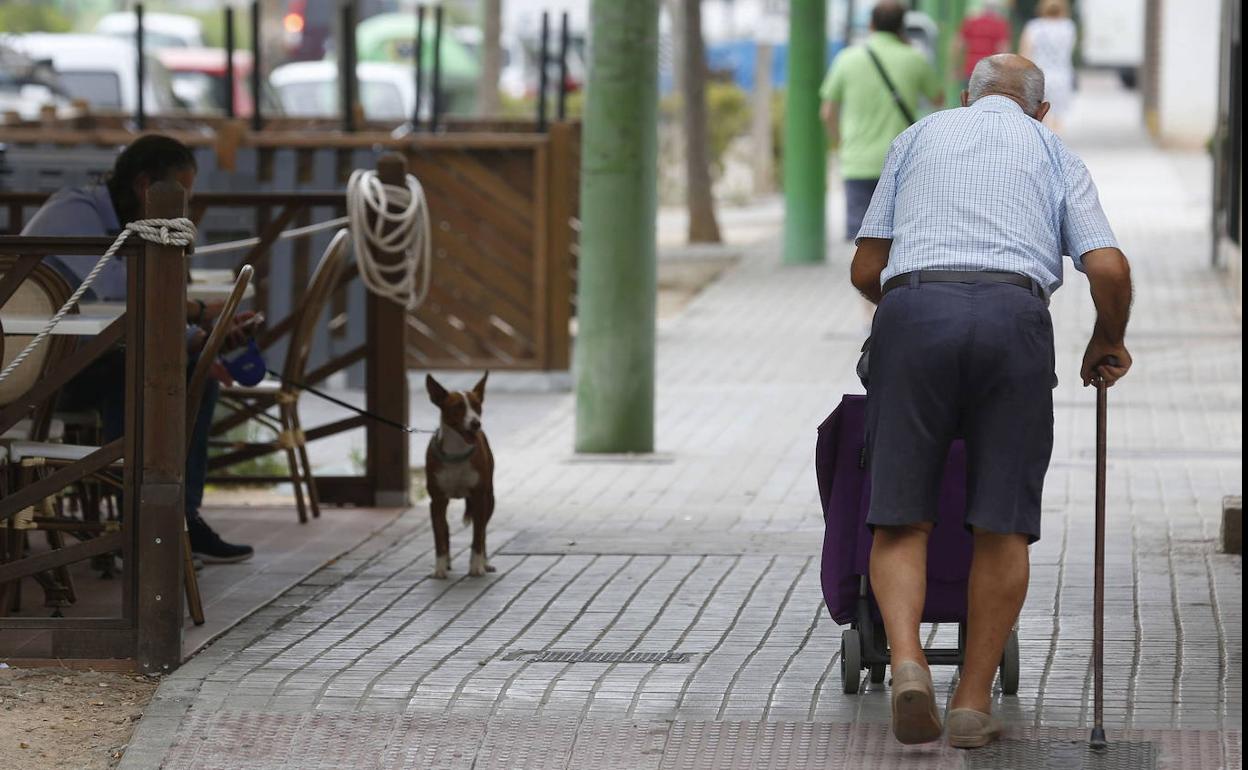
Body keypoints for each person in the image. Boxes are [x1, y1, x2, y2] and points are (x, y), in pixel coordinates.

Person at [849, 54, 1133, 747]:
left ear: (965, 97)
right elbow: (1108, 266)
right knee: (1002, 523)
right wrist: (1107, 338)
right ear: (1039, 109)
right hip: (1015, 319)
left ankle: (910, 663)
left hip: (916, 309)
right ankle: (973, 703)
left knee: (899, 521)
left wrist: (921, 314)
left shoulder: (917, 137)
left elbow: (865, 267)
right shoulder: (1050, 148)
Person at [22, 135, 255, 563]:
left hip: (83, 360)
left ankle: (173, 520)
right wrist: (197, 313)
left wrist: (197, 338)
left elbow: (125, 316)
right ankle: (143, 528)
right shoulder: (76, 212)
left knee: (183, 370)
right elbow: (119, 299)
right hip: (34, 375)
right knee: (148, 373)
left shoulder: (129, 224)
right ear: (145, 185)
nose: (183, 211)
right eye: (179, 197)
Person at [820, 1, 943, 241]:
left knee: (860, 241)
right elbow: (937, 100)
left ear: (871, 24)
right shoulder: (913, 58)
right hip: (902, 162)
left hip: (857, 159)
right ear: (902, 27)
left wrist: (840, 143)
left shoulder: (847, 59)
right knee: (897, 237)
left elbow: (827, 112)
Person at [1020, 0, 1077, 132]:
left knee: (1041, 115)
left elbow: (1025, 52)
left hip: (1039, 75)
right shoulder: (1069, 27)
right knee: (1058, 116)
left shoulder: (1034, 27)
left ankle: (1043, 145)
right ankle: (1056, 143)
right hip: (1062, 76)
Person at [953, 1, 1012, 88]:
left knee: (969, 98)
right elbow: (1003, 49)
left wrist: (956, 66)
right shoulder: (1000, 24)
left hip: (971, 70)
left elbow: (958, 44)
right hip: (991, 71)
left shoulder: (970, 21)